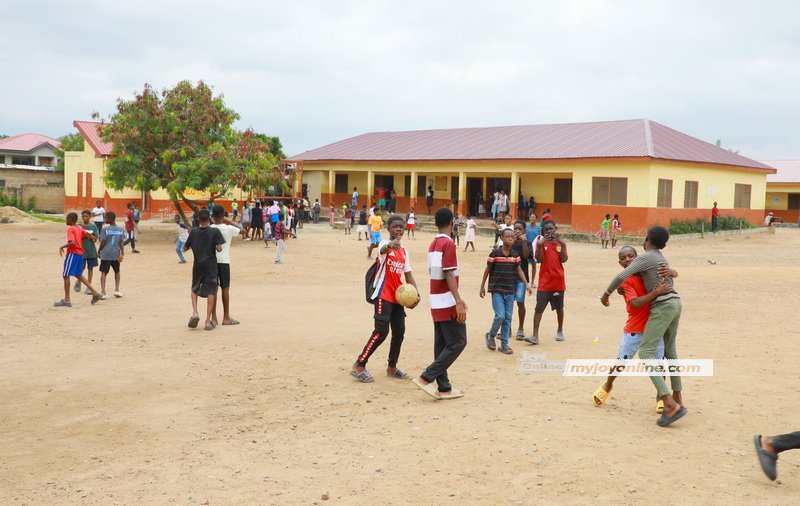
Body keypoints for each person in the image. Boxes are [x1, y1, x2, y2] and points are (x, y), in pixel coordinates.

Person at [600, 226, 686, 427]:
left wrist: (606, 294)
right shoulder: (659, 257)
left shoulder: (646, 257)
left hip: (663, 306)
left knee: (646, 353)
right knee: (671, 352)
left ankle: (669, 402)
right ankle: (678, 397)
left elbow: (620, 277)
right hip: (676, 303)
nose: (629, 260)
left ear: (646, 240)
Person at [592, 246, 674, 411]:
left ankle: (661, 396)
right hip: (634, 328)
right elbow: (635, 304)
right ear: (620, 263)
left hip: (654, 327)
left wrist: (672, 271)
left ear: (639, 259)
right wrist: (656, 292)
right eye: (624, 258)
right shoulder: (626, 281)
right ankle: (608, 384)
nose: (628, 259)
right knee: (621, 362)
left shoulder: (649, 273)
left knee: (658, 363)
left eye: (631, 256)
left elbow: (669, 274)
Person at [351, 215, 420, 383]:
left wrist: (416, 295)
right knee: (381, 331)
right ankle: (359, 364)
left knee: (399, 332)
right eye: (395, 226)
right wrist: (390, 245)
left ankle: (392, 367)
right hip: (383, 295)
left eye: (401, 227)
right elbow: (382, 249)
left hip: (398, 297)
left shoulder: (404, 252)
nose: (398, 229)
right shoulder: (384, 245)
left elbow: (408, 275)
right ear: (388, 229)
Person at [412, 207, 468, 400]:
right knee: (459, 341)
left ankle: (444, 387)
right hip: (446, 300)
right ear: (452, 223)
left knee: (442, 343)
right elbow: (448, 273)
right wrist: (458, 301)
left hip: (436, 300)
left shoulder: (433, 243)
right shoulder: (448, 244)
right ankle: (427, 376)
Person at [480, 228, 531, 354]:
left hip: (510, 290)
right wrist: (482, 286)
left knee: (508, 317)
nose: (510, 238)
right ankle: (491, 335)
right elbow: (487, 270)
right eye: (507, 236)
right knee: (500, 316)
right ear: (501, 238)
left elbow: (519, 270)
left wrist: (527, 284)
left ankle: (504, 345)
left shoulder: (515, 255)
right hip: (497, 289)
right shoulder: (495, 254)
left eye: (512, 236)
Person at [524, 220, 568, 345]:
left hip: (558, 282)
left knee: (559, 308)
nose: (549, 232)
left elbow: (564, 260)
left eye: (551, 229)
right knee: (539, 309)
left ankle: (560, 330)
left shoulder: (560, 243)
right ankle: (535, 335)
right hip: (544, 282)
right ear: (543, 231)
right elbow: (538, 259)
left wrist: (563, 245)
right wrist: (540, 244)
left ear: (555, 229)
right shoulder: (541, 243)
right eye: (546, 230)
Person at [184, 209, 225, 331]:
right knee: (211, 290)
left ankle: (195, 312)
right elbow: (219, 249)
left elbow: (185, 248)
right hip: (211, 265)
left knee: (194, 287)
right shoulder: (215, 231)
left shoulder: (194, 232)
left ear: (198, 220)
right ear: (210, 219)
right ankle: (208, 321)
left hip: (198, 264)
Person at [54, 212, 102, 307]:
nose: (66, 220)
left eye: (67, 218)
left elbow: (72, 242)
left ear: (70, 220)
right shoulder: (79, 228)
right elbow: (88, 234)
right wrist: (94, 238)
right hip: (80, 254)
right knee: (78, 275)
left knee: (65, 275)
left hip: (73, 254)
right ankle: (95, 293)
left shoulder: (70, 229)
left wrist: (62, 246)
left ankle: (67, 300)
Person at [211, 205, 242, 326]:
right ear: (223, 215)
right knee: (225, 288)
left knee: (213, 289)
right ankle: (226, 317)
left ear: (212, 215)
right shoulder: (228, 228)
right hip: (224, 261)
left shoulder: (210, 228)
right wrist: (228, 220)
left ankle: (213, 317)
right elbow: (243, 230)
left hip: (212, 261)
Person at [511, 220, 532, 340]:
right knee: (507, 304)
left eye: (520, 229)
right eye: (515, 229)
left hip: (521, 279)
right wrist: (512, 240)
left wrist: (523, 242)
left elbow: (525, 256)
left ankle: (520, 328)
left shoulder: (527, 243)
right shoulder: (509, 242)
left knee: (520, 303)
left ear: (524, 231)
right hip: (508, 277)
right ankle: (507, 328)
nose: (517, 231)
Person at [97, 211, 125, 299]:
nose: (104, 220)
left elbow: (103, 241)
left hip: (106, 254)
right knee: (117, 271)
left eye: (106, 218)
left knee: (104, 272)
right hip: (116, 253)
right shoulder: (120, 229)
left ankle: (103, 292)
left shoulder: (105, 229)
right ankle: (117, 289)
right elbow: (121, 243)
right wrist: (122, 253)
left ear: (111, 219)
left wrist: (99, 250)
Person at [74, 210, 99, 295]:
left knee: (90, 268)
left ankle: (89, 287)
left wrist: (91, 236)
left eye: (86, 216)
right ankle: (78, 281)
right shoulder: (79, 226)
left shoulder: (93, 226)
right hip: (81, 251)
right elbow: (75, 238)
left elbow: (96, 238)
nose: (84, 218)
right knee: (81, 268)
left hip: (91, 251)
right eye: (83, 216)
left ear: (90, 217)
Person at [525, 213, 541, 287]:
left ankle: (532, 282)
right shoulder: (526, 227)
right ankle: (525, 282)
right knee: (524, 266)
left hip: (534, 249)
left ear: (536, 219)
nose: (532, 218)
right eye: (531, 217)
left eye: (533, 217)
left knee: (533, 266)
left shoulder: (539, 229)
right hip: (526, 249)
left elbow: (540, 238)